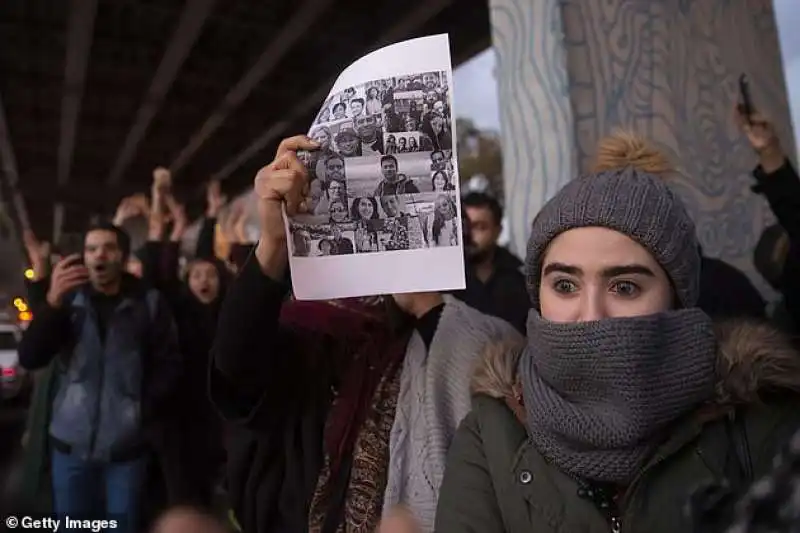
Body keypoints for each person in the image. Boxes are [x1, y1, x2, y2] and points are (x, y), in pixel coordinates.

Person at [434, 132, 800, 533]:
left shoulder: (760, 422)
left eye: (625, 287)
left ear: (676, 299)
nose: (591, 316)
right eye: (565, 286)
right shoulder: (491, 434)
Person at [209, 135, 520, 533]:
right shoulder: (311, 321)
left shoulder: (461, 318)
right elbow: (236, 367)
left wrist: (426, 306)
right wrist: (272, 243)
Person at [18, 222, 181, 532]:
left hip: (126, 451)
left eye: (108, 247)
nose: (99, 255)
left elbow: (169, 364)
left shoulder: (147, 302)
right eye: (91, 249)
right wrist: (51, 302)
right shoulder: (68, 301)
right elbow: (30, 356)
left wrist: (141, 410)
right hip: (70, 449)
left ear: (122, 255)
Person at [453, 192, 529, 333]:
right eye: (463, 226)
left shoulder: (519, 278)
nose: (468, 235)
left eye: (479, 227)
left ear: (497, 230)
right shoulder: (444, 279)